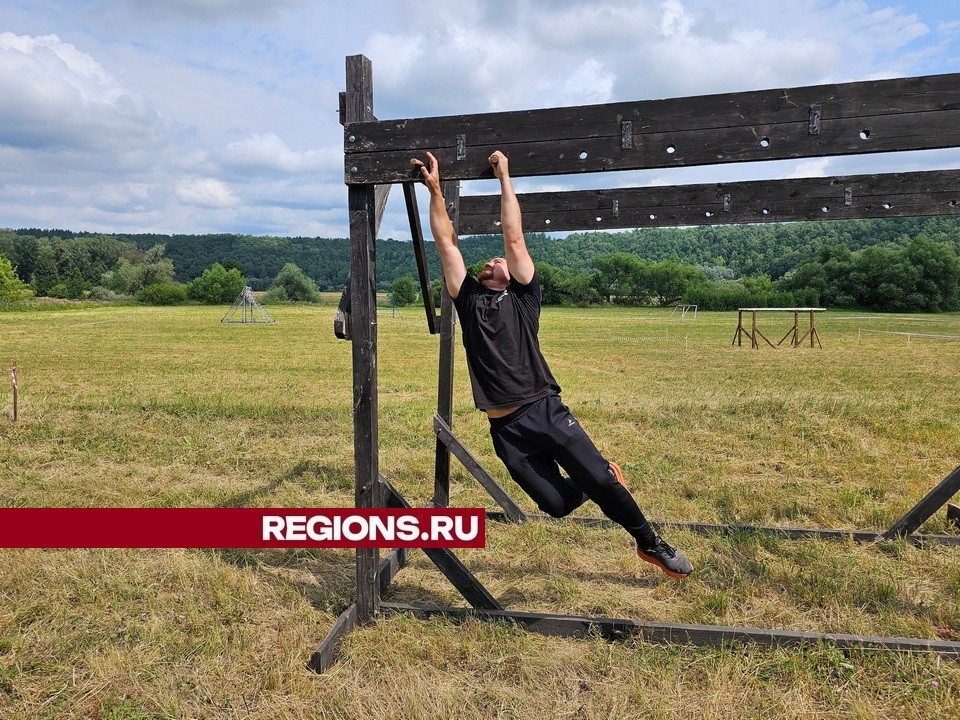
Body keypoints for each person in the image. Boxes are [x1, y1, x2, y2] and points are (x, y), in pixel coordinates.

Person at [420, 149, 693, 579]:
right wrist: (435, 190)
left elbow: (513, 236)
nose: (497, 260)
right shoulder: (468, 301)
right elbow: (446, 243)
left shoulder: (524, 299)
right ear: (482, 273)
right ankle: (595, 477)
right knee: (557, 505)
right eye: (490, 261)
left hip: (543, 409)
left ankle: (651, 543)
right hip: (506, 431)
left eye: (503, 260)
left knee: (605, 485)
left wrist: (504, 176)